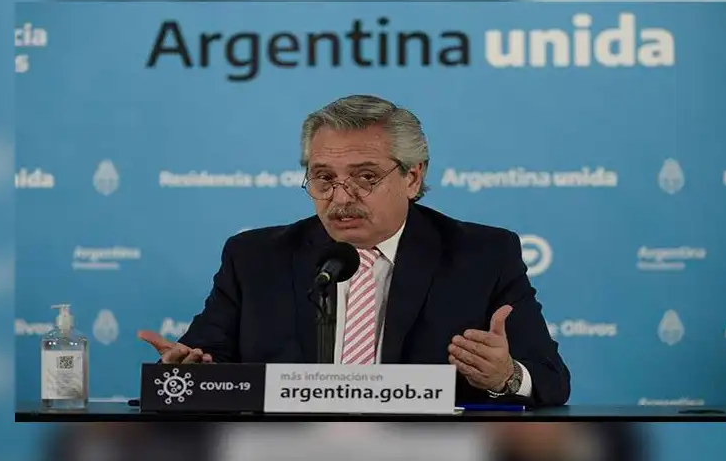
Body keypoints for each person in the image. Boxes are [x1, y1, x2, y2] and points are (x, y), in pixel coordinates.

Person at [139, 94, 570, 407]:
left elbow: (550, 381)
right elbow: (205, 365)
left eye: (365, 177)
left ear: (413, 178)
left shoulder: (482, 255)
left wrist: (506, 376)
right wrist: (188, 373)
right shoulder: (254, 258)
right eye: (323, 177)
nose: (341, 197)